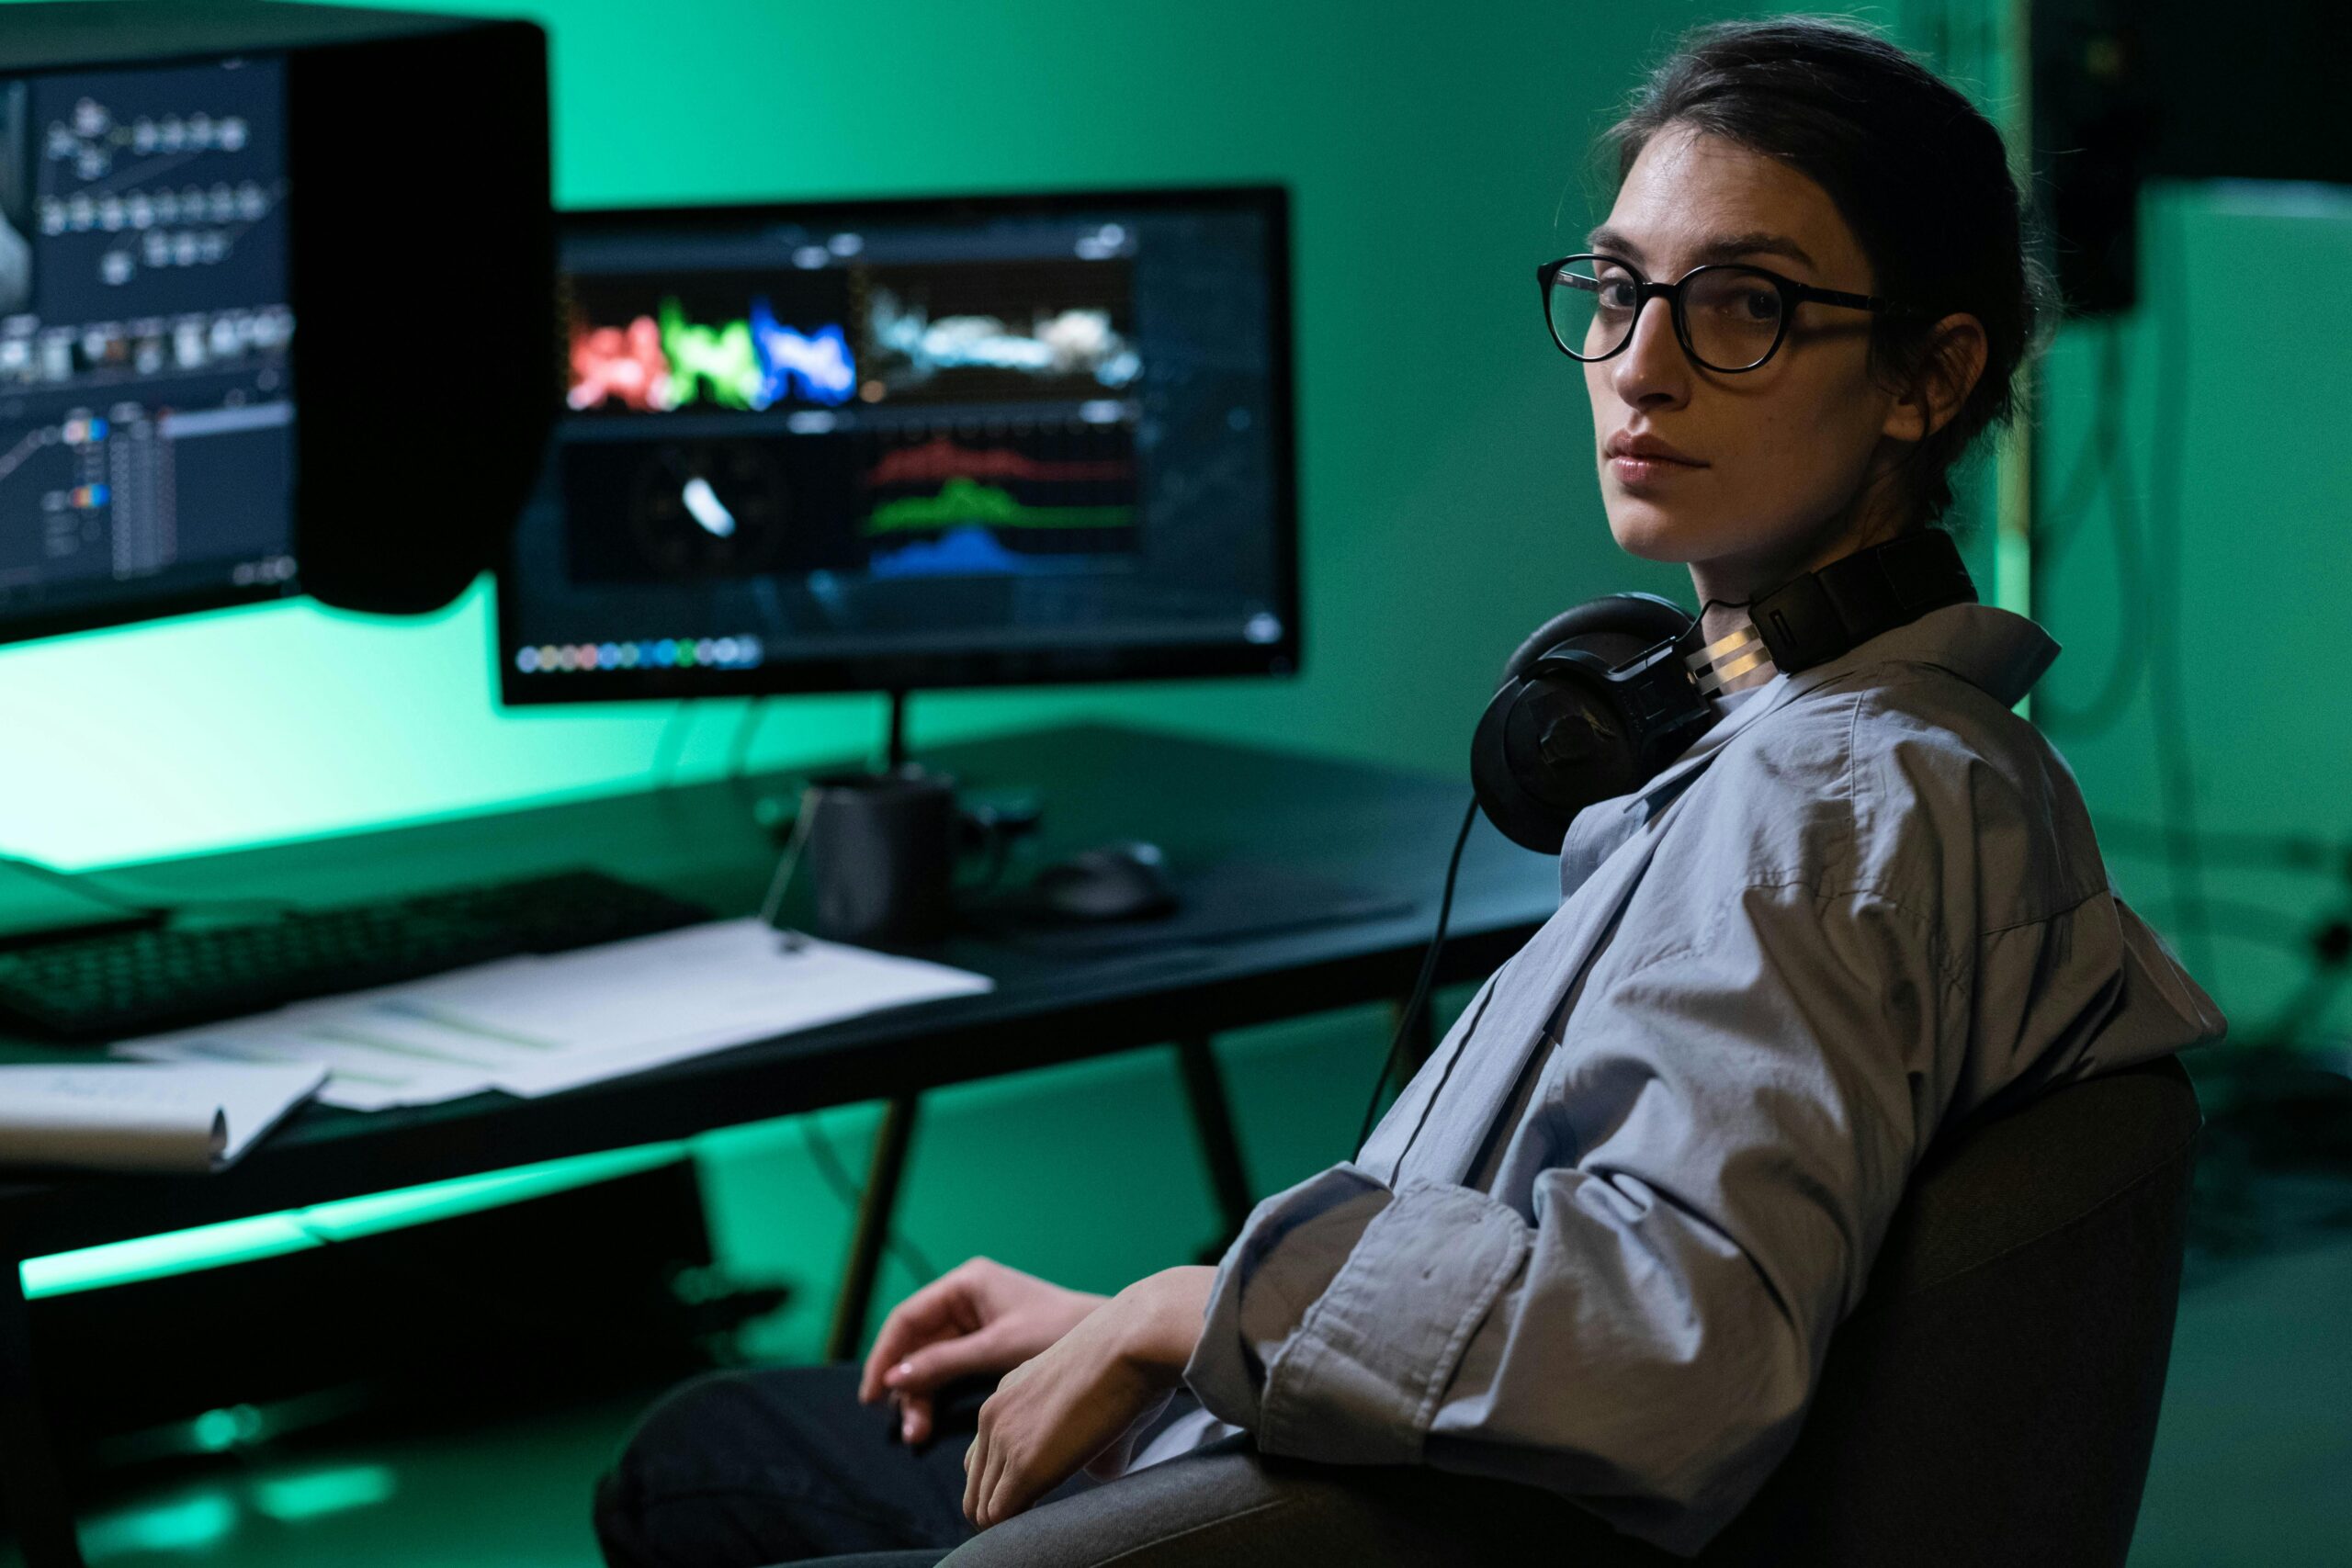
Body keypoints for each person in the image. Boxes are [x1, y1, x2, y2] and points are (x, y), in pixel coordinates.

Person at [593, 17, 2225, 1566]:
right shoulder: (1945, 757)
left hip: (1333, 1531)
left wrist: (1193, 1317)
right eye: (1619, 287)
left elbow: (1672, 1353)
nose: (1638, 368)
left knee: (708, 1445)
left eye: (1745, 307)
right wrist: (1181, 1302)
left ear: (1930, 379)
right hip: (1356, 1465)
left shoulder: (1815, 810)